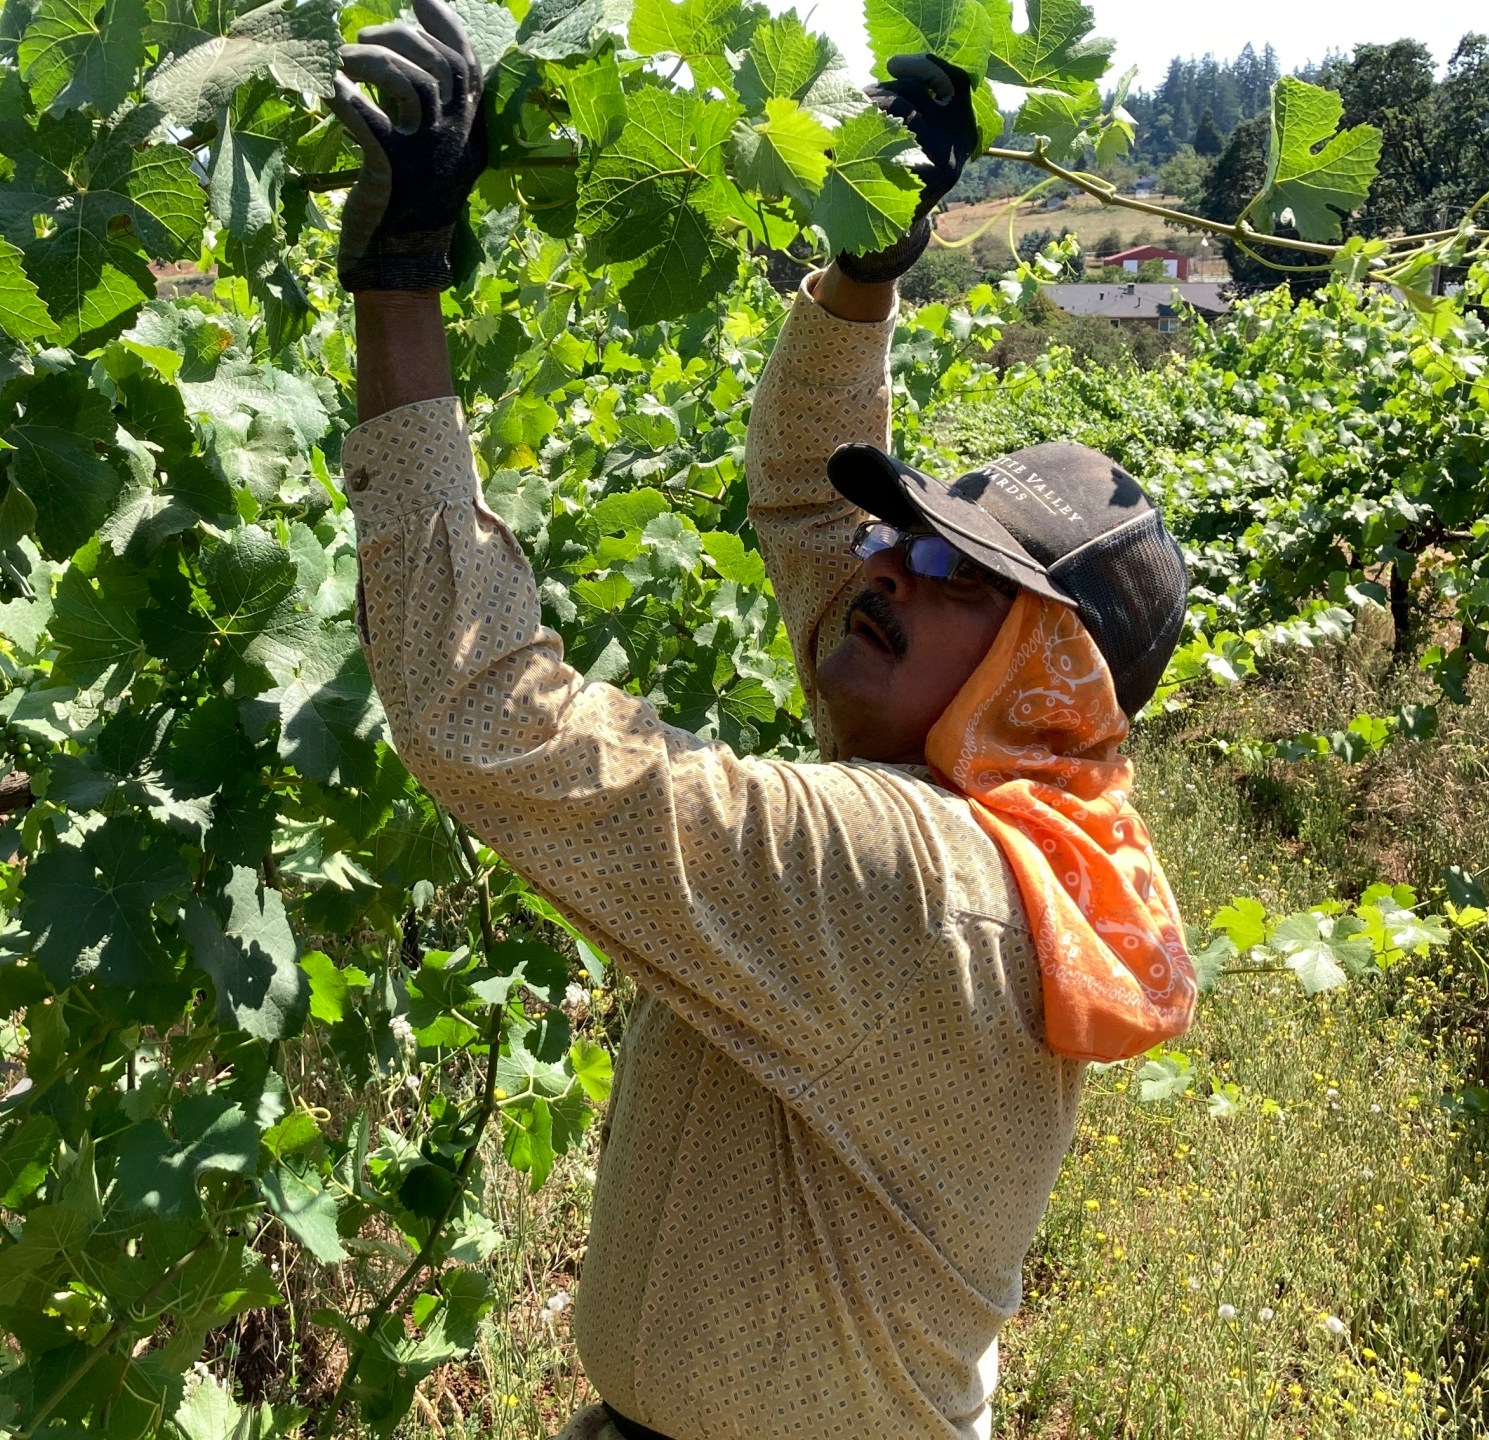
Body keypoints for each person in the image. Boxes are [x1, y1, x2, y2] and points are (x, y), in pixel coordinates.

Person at [326, 9, 1198, 1436]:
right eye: (907, 534)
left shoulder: (915, 890)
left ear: (1045, 676)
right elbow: (811, 501)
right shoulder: (1004, 794)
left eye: (942, 567)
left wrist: (399, 284)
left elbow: (484, 715)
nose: (878, 564)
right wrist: (862, 279)